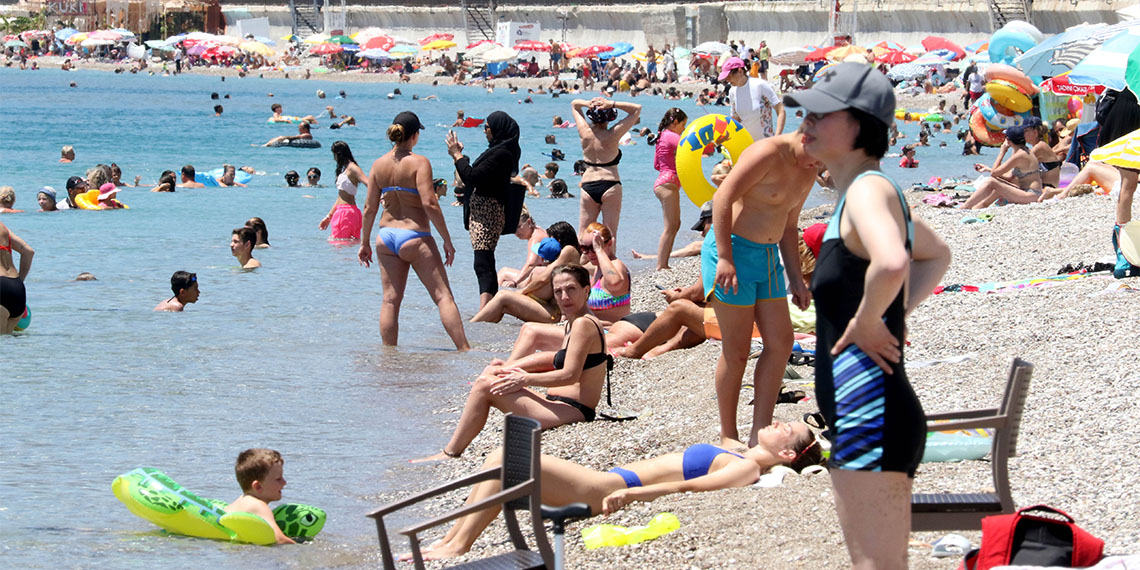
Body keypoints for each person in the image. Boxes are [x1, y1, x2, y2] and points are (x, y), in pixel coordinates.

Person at [786, 61, 951, 570]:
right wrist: (888, 311)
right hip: (869, 413)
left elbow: (895, 261)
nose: (806, 122)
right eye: (805, 113)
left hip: (870, 414)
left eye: (821, 114)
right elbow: (935, 254)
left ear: (860, 125)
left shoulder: (865, 191)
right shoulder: (864, 192)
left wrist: (870, 318)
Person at [403, 420, 822, 561]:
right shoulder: (739, 452)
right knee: (503, 460)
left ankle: (458, 545)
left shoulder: (746, 468)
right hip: (610, 478)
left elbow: (692, 486)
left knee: (505, 458)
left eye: (786, 429)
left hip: (610, 487)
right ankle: (451, 539)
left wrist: (634, 496)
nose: (778, 422)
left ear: (787, 453)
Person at [703, 105, 819, 449]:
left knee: (781, 343)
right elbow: (722, 198)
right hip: (732, 253)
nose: (819, 165)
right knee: (737, 350)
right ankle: (728, 434)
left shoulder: (810, 167)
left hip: (768, 258)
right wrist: (725, 257)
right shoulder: (767, 153)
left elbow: (789, 225)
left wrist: (797, 279)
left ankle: (760, 431)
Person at [413, 264, 610, 463]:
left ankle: (450, 452)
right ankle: (455, 445)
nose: (564, 297)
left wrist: (524, 379)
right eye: (558, 291)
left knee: (484, 386)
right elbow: (555, 358)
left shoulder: (583, 324)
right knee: (492, 374)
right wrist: (510, 368)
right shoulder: (574, 321)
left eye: (571, 289)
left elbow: (569, 375)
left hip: (573, 410)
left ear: (586, 290)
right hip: (559, 404)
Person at [359, 111, 469, 350]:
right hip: (415, 236)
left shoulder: (378, 164)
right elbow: (430, 203)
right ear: (414, 135)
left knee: (390, 301)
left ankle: (389, 356)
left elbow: (369, 208)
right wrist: (447, 240)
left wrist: (364, 242)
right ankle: (464, 350)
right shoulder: (420, 162)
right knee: (443, 296)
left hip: (386, 237)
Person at [447, 110, 522, 309]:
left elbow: (472, 177)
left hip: (488, 212)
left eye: (487, 127)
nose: (484, 131)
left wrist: (457, 155)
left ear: (497, 128)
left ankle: (486, 309)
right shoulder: (497, 150)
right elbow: (472, 176)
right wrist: (457, 156)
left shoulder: (502, 153)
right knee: (484, 261)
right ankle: (490, 308)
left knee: (483, 262)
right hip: (482, 211)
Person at [470, 222, 581, 323]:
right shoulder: (561, 259)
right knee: (502, 306)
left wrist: (522, 291)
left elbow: (543, 278)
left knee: (503, 296)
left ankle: (472, 326)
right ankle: (480, 327)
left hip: (554, 313)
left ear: (559, 240)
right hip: (548, 308)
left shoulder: (569, 250)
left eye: (550, 239)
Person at [570, 97, 642, 240]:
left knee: (583, 234)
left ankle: (581, 255)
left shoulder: (584, 132)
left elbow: (574, 105)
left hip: (588, 185)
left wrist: (589, 103)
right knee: (610, 234)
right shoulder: (614, 134)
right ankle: (607, 255)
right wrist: (612, 103)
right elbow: (636, 109)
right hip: (610, 184)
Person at [961, 126, 1042, 209]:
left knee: (991, 182)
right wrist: (988, 169)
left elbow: (994, 174)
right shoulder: (1024, 151)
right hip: (1028, 192)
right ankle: (979, 206)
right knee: (998, 184)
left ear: (1008, 140)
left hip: (1031, 195)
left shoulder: (1019, 155)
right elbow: (1009, 177)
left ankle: (965, 206)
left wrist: (1002, 152)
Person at [226, 449, 295, 545]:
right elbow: (279, 539)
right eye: (278, 479)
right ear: (258, 486)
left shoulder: (238, 502)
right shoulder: (259, 506)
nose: (284, 482)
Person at [651, 108, 688, 270]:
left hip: (663, 182)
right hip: (668, 183)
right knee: (671, 226)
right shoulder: (671, 135)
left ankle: (663, 263)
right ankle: (661, 265)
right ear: (675, 122)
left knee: (675, 224)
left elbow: (656, 165)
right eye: (683, 125)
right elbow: (689, 146)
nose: (684, 129)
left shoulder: (662, 137)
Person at [721, 56, 785, 141]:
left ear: (740, 71)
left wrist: (777, 138)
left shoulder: (760, 85)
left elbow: (781, 111)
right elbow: (735, 120)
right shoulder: (732, 91)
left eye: (729, 76)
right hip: (745, 144)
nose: (727, 80)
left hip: (765, 143)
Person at [580, 222, 631, 323]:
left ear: (609, 244)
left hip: (613, 328)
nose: (590, 253)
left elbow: (614, 282)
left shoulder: (616, 266)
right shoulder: (599, 268)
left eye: (593, 248)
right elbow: (581, 264)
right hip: (596, 327)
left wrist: (599, 250)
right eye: (585, 248)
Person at [319, 141, 367, 242]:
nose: (334, 158)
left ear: (338, 154)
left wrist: (378, 198)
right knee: (349, 245)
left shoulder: (352, 168)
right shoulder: (348, 169)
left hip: (344, 214)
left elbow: (369, 183)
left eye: (334, 155)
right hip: (352, 213)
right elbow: (340, 197)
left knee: (338, 245)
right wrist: (328, 217)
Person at [497, 207, 548, 288]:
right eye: (513, 229)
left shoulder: (534, 239)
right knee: (506, 283)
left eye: (518, 226)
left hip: (542, 281)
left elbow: (531, 264)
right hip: (546, 276)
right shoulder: (539, 230)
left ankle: (492, 295)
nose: (516, 232)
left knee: (504, 273)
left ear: (529, 222)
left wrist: (515, 281)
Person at [0, 220, 33, 334]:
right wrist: (20, 281)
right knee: (7, 340)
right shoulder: (3, 228)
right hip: (16, 288)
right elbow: (28, 252)